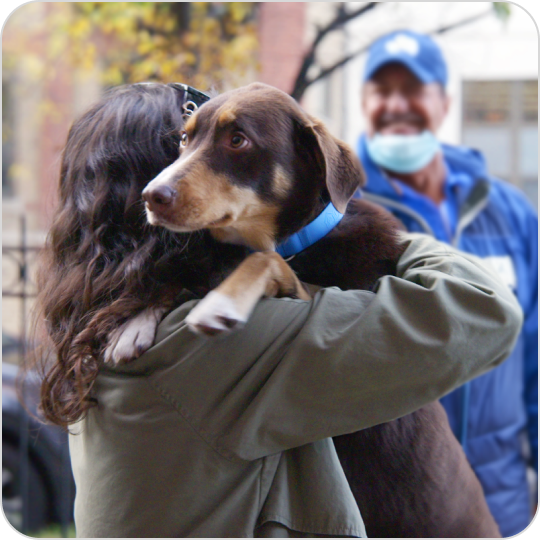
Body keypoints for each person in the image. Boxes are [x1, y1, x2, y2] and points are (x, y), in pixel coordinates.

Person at [29, 82, 523, 538]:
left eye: (231, 142)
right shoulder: (213, 339)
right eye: (182, 142)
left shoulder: (101, 321)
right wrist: (392, 240)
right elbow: (485, 309)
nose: (174, 176)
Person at [356, 29, 538, 536]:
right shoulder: (336, 212)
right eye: (381, 89)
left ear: (444, 101)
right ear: (364, 100)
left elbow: (537, 358)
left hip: (500, 501)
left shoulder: (509, 211)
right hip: (390, 500)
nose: (396, 104)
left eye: (413, 89)